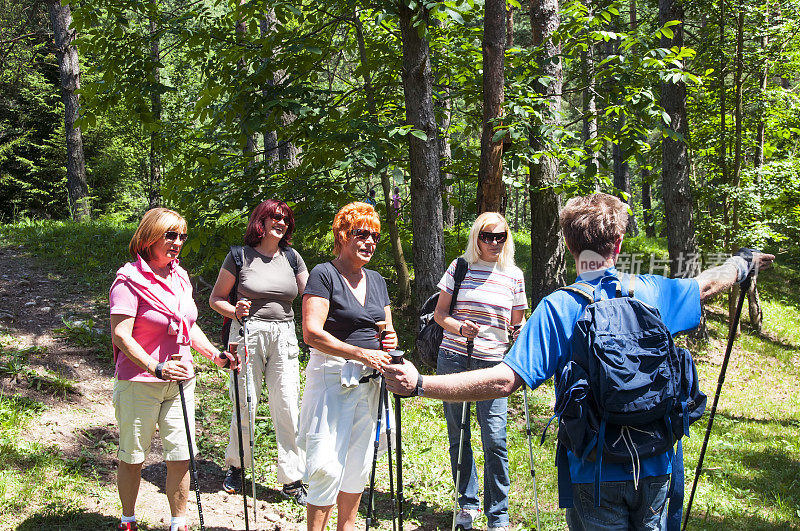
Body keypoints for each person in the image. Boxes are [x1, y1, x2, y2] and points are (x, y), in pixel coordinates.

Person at [385, 193, 775, 530]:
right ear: (618, 244)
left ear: (569, 246)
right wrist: (743, 263)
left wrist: (421, 384)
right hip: (658, 462)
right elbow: (707, 283)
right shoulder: (653, 290)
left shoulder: (560, 307)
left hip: (592, 467)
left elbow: (503, 381)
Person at [110, 208, 238, 531]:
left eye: (181, 236)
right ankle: (128, 519)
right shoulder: (128, 281)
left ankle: (178, 523)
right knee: (133, 456)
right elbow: (121, 336)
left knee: (181, 456)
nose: (177, 242)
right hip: (139, 381)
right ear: (149, 237)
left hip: (181, 381)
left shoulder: (180, 277)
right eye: (170, 235)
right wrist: (156, 367)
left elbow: (188, 325)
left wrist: (214, 355)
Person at [298, 201, 398, 530]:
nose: (369, 241)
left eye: (374, 236)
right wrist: (361, 353)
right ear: (343, 235)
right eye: (361, 234)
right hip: (332, 377)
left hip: (371, 383)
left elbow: (387, 327)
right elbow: (312, 333)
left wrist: (389, 342)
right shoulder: (324, 274)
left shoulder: (377, 280)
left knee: (358, 463)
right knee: (325, 464)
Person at [209, 199, 309, 504]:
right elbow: (216, 299)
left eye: (286, 220)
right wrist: (234, 310)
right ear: (261, 222)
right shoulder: (239, 257)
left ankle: (292, 478)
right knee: (245, 402)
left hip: (285, 335)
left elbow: (311, 297)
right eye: (275, 218)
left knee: (289, 405)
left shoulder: (292, 258)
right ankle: (237, 466)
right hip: (247, 333)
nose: (281, 223)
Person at [434, 212, 526, 531]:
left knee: (495, 437)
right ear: (476, 238)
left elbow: (518, 321)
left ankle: (498, 514)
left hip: (492, 365)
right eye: (487, 236)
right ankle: (467, 504)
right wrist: (460, 327)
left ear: (506, 238)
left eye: (500, 236)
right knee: (459, 434)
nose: (493, 243)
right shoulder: (460, 267)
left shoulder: (514, 275)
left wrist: (519, 333)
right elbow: (440, 314)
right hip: (455, 360)